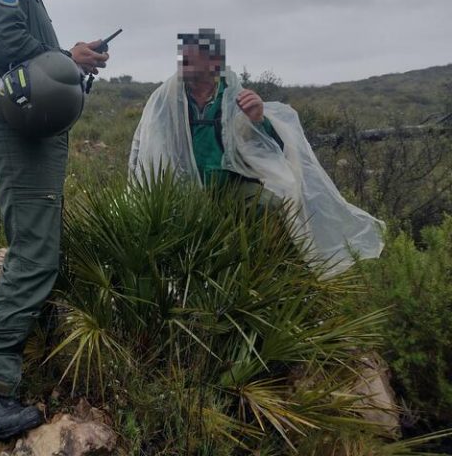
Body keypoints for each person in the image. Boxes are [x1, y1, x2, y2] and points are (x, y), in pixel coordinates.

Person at [0, 0, 109, 440]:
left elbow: (37, 61)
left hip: (32, 132)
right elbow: (5, 47)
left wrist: (72, 62)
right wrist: (64, 55)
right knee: (35, 251)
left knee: (36, 240)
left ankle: (28, 339)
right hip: (13, 129)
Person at [129, 29, 384, 277]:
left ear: (212, 62)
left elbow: (270, 146)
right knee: (165, 227)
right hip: (181, 186)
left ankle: (277, 275)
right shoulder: (168, 99)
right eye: (183, 58)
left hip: (229, 182)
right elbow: (147, 144)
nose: (184, 64)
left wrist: (258, 119)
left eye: (191, 58)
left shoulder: (233, 96)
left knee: (269, 207)